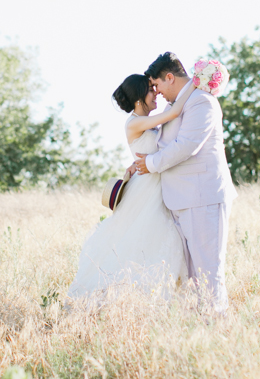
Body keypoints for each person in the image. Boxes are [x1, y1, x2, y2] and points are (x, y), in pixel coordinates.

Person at [67, 74, 190, 300]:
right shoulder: (134, 122)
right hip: (145, 191)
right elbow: (172, 113)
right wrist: (195, 83)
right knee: (140, 240)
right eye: (150, 90)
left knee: (153, 241)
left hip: (154, 186)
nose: (156, 93)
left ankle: (151, 297)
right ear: (138, 99)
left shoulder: (148, 122)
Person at [132, 52, 237, 313]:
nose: (156, 92)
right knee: (190, 274)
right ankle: (198, 328)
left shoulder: (201, 102)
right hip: (181, 199)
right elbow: (163, 142)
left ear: (169, 77)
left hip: (204, 197)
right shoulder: (175, 106)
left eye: (156, 85)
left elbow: (187, 145)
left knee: (208, 270)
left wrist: (151, 163)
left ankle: (217, 328)